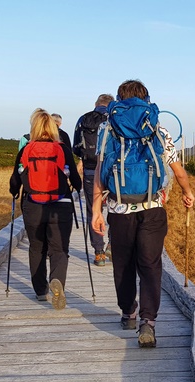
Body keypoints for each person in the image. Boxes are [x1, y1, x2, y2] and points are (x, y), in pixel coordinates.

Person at [91, 79, 195, 347]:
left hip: (119, 208)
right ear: (146, 98)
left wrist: (96, 210)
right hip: (152, 207)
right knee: (150, 265)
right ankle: (148, 323)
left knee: (123, 264)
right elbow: (175, 166)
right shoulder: (157, 126)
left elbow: (100, 172)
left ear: (119, 99)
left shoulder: (107, 127)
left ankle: (128, 312)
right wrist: (186, 191)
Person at [9, 109, 82, 309]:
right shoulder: (62, 149)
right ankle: (57, 280)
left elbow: (14, 182)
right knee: (59, 249)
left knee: (36, 248)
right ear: (52, 127)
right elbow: (76, 181)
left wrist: (15, 192)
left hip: (33, 206)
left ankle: (41, 291)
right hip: (61, 206)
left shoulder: (26, 150)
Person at [73, 94, 112, 266]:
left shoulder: (83, 119)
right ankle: (112, 244)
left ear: (96, 104)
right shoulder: (115, 118)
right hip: (113, 171)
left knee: (93, 211)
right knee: (115, 209)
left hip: (90, 171)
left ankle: (99, 253)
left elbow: (76, 148)